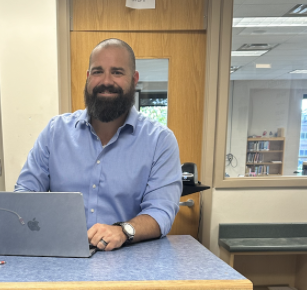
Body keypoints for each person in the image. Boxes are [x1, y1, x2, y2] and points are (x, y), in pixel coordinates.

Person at [15, 39, 182, 251]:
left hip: (128, 262)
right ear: (87, 78)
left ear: (134, 79)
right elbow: (26, 192)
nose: (106, 81)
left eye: (117, 72)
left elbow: (161, 211)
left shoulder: (160, 141)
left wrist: (123, 230)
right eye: (97, 72)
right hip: (62, 258)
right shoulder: (55, 132)